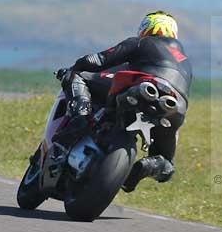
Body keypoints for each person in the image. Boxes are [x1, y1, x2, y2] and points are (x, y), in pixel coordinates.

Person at [57, 11, 192, 191]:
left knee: (77, 77)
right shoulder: (186, 61)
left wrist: (73, 68)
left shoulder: (142, 42)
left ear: (145, 28)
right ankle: (147, 166)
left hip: (141, 85)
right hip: (175, 106)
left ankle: (79, 119)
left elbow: (97, 60)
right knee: (166, 164)